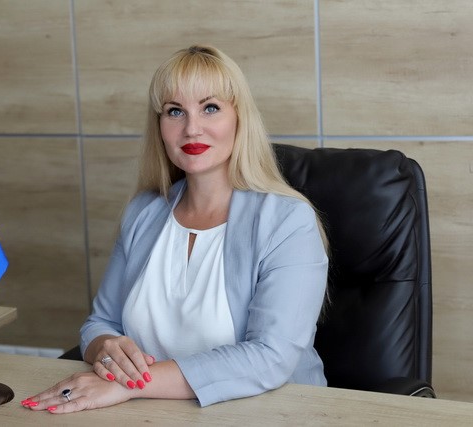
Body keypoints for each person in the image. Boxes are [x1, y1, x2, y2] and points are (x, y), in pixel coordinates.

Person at [22, 45, 328, 414]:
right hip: (151, 413)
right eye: (175, 111)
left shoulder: (287, 221)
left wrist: (130, 385)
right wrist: (105, 347)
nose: (191, 128)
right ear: (160, 127)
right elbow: (101, 322)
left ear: (239, 118)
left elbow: (271, 357)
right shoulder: (144, 211)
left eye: (210, 107)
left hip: (273, 413)